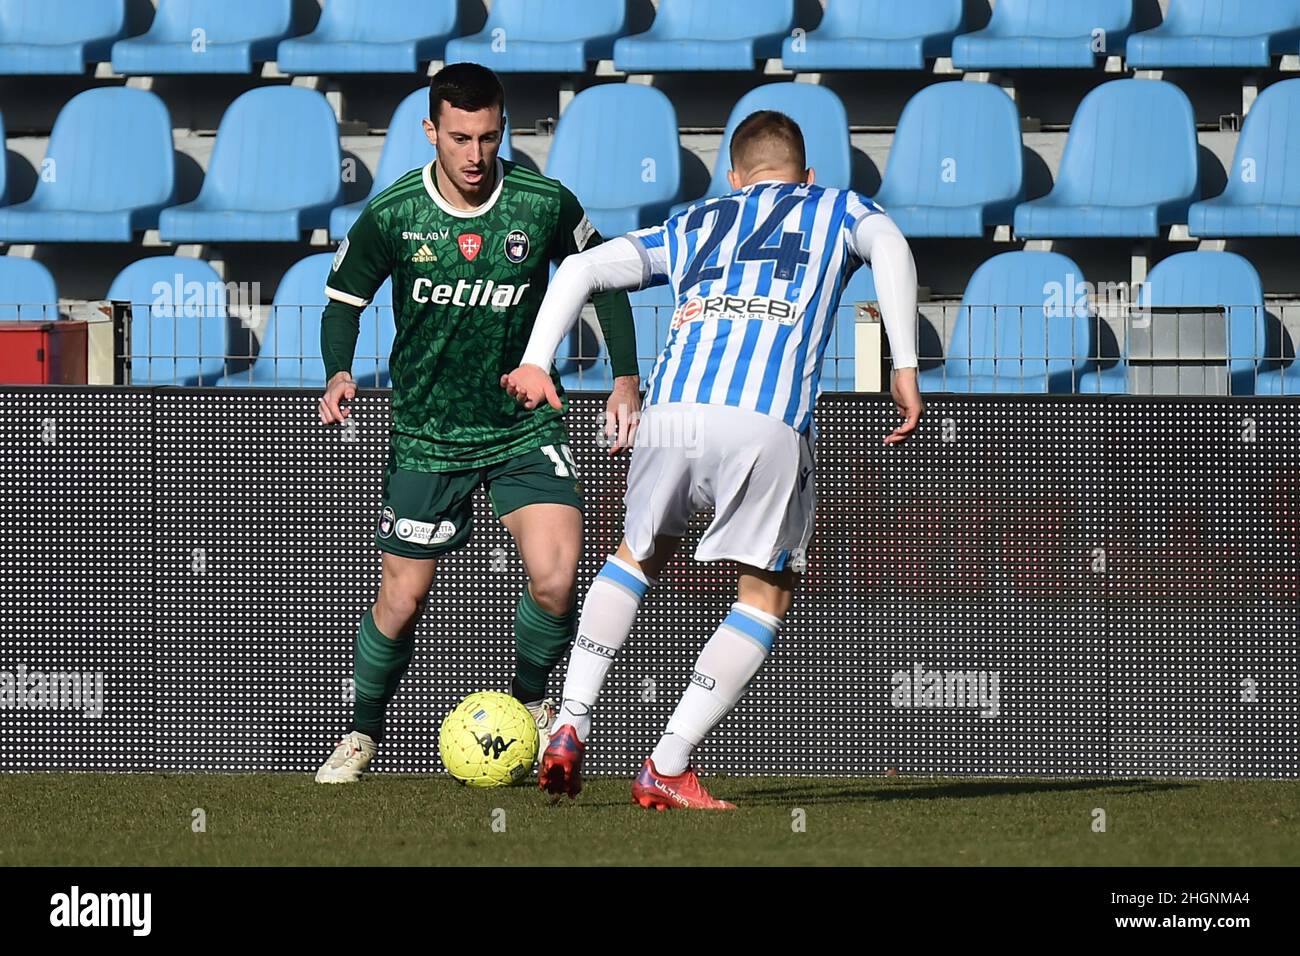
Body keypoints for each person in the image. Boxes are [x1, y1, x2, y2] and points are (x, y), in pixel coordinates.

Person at [502, 110, 923, 809]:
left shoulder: (697, 220)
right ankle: (667, 763)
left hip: (669, 416)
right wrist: (903, 366)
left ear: (735, 178)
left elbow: (577, 268)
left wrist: (535, 362)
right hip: (765, 420)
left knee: (634, 560)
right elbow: (892, 249)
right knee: (764, 594)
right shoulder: (839, 206)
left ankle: (570, 721)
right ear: (807, 175)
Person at [314, 63, 641, 783]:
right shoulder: (396, 212)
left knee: (557, 579)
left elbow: (606, 273)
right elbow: (342, 302)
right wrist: (339, 371)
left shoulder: (541, 202)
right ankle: (361, 735)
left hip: (525, 425)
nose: (474, 154)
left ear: (504, 131)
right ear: (431, 130)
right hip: (429, 434)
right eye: (459, 137)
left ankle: (525, 711)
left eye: (489, 137)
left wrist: (624, 376)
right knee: (402, 600)